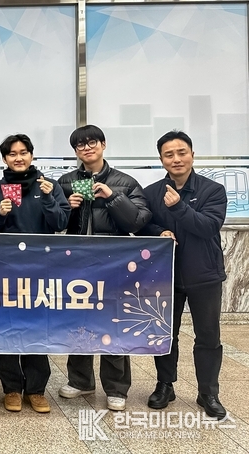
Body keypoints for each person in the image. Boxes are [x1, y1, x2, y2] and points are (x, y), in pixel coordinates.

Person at [57, 124, 151, 412]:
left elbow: (138, 222)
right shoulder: (66, 181)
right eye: (80, 145)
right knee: (79, 321)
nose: (86, 148)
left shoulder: (126, 182)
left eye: (92, 143)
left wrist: (112, 197)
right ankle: (80, 380)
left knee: (114, 322)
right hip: (77, 263)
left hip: (113, 264)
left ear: (103, 144)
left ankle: (116, 388)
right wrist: (67, 207)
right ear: (75, 151)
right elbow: (53, 222)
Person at [139, 130, 227, 419]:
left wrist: (177, 207)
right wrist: (159, 232)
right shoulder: (151, 193)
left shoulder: (213, 190)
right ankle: (165, 385)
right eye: (169, 154)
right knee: (165, 334)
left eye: (181, 153)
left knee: (208, 336)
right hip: (166, 276)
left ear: (192, 155)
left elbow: (208, 226)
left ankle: (208, 392)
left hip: (205, 274)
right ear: (161, 159)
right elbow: (142, 226)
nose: (176, 159)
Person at [0, 134, 70, 413]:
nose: (18, 158)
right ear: (4, 159)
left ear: (31, 155)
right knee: (6, 328)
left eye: (23, 152)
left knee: (37, 328)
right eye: (12, 154)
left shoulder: (49, 185)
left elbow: (60, 223)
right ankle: (11, 388)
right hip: (6, 270)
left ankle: (36, 389)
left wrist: (47, 198)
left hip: (40, 269)